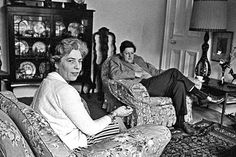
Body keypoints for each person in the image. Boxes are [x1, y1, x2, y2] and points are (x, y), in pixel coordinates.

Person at [31, 38, 171, 154]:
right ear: (56, 63)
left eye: (79, 61)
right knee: (119, 122)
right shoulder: (64, 90)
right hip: (75, 145)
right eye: (70, 61)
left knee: (117, 123)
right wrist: (114, 113)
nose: (77, 67)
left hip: (61, 138)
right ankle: (128, 146)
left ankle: (125, 142)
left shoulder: (47, 83)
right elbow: (91, 130)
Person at [109, 40, 224, 134]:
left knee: (179, 84)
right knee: (174, 71)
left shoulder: (138, 60)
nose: (130, 56)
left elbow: (154, 71)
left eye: (132, 53)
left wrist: (166, 75)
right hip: (143, 85)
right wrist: (135, 74)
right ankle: (201, 94)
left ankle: (181, 122)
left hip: (154, 83)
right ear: (121, 53)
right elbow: (114, 75)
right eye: (127, 53)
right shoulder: (116, 61)